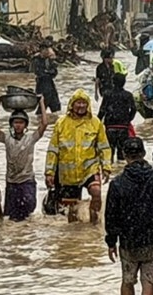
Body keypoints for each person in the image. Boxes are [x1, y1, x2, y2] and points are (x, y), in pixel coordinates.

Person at [104, 137, 153, 295]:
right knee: (148, 282)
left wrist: (111, 242)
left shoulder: (118, 182)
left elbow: (111, 215)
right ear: (144, 153)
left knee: (127, 280)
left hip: (128, 239)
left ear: (124, 155)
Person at [46, 90, 112, 224]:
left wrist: (106, 167)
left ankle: (95, 224)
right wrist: (49, 172)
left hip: (89, 168)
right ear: (72, 104)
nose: (81, 106)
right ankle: (76, 233)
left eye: (84, 103)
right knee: (72, 211)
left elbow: (104, 147)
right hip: (68, 174)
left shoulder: (95, 123)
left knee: (96, 192)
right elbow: (53, 150)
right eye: (78, 103)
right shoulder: (61, 123)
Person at [0, 97, 48, 222]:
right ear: (11, 124)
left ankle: (26, 232)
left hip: (27, 180)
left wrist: (41, 103)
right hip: (11, 181)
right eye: (16, 122)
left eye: (21, 122)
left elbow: (44, 124)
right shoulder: (7, 139)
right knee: (12, 217)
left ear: (25, 125)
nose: (18, 125)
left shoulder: (31, 139)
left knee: (28, 209)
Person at [99, 72, 137, 161]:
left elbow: (102, 110)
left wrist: (97, 123)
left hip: (110, 127)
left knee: (109, 153)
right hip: (123, 127)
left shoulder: (108, 94)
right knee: (122, 154)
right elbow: (134, 109)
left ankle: (111, 168)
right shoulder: (128, 95)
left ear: (113, 82)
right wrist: (128, 119)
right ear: (124, 83)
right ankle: (120, 168)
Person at [33, 47, 61, 114]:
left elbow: (54, 72)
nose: (48, 52)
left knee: (56, 106)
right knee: (42, 105)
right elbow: (39, 73)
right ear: (42, 50)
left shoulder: (49, 60)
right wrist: (48, 72)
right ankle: (39, 119)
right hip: (42, 85)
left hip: (50, 85)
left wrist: (48, 71)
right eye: (46, 50)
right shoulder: (36, 60)